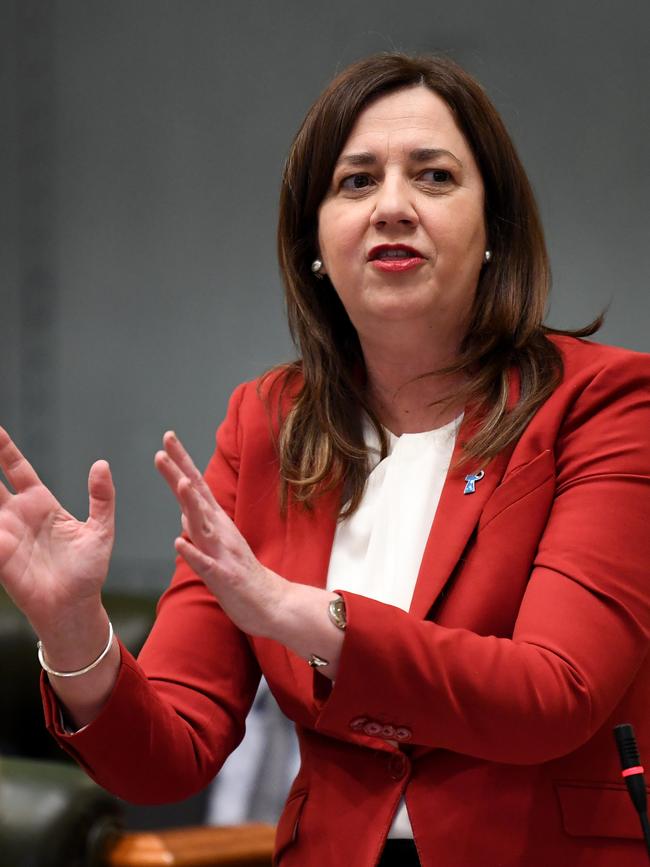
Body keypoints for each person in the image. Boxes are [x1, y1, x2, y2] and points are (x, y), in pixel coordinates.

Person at [0, 53, 649, 867]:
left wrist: (305, 614)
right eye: (355, 182)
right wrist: (73, 631)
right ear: (314, 242)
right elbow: (165, 757)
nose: (393, 207)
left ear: (496, 231)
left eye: (435, 176)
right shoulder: (268, 423)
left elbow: (555, 694)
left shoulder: (604, 402)